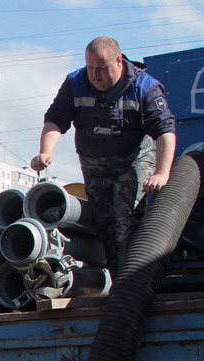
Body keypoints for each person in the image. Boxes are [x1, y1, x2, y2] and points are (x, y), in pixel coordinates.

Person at [30, 36, 176, 273]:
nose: (95, 76)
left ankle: (130, 281)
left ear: (119, 62)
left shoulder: (144, 87)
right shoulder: (75, 83)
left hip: (132, 161)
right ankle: (110, 280)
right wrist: (45, 151)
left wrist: (161, 173)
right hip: (94, 164)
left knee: (126, 220)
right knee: (103, 224)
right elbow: (56, 119)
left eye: (102, 69)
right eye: (91, 68)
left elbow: (165, 132)